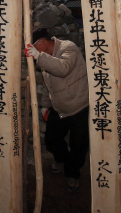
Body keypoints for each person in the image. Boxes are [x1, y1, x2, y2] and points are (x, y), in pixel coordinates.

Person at [24, 27, 89, 193]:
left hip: (78, 106)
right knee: (52, 139)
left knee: (78, 145)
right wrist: (45, 105)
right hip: (58, 108)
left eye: (35, 47)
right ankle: (62, 160)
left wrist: (39, 56)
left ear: (43, 42)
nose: (33, 51)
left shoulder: (68, 48)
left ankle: (73, 174)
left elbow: (63, 68)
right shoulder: (45, 58)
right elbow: (48, 85)